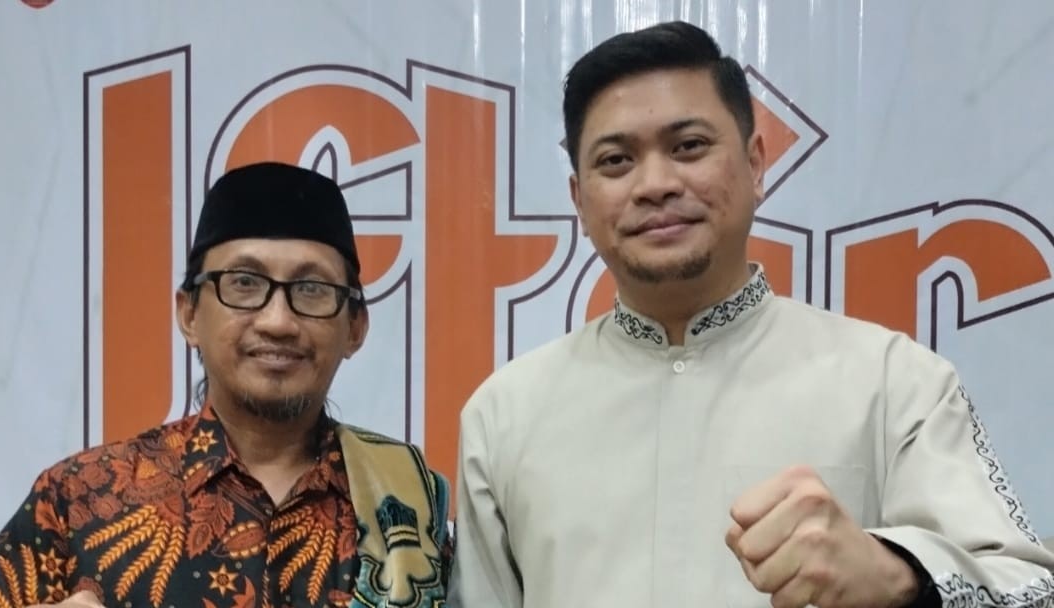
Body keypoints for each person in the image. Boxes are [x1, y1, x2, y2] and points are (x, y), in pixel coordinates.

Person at [448, 21, 1054, 608]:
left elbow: (1031, 588)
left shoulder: (895, 381)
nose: (655, 183)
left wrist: (899, 575)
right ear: (580, 199)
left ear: (756, 163)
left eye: (689, 147)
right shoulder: (504, 416)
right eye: (615, 161)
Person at [0, 162, 453, 608]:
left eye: (312, 289)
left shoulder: (410, 510)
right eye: (244, 283)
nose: (277, 321)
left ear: (355, 328)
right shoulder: (78, 501)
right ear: (189, 314)